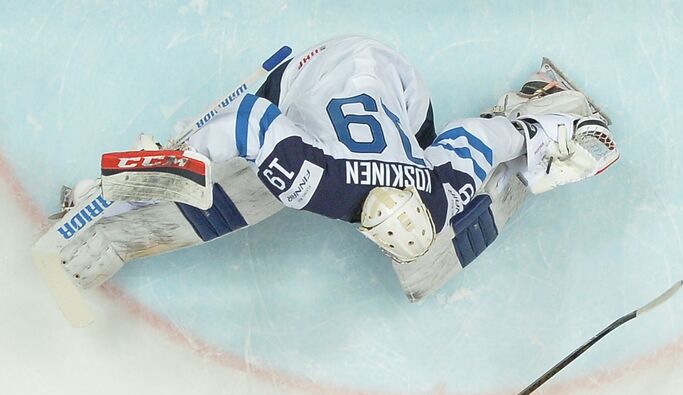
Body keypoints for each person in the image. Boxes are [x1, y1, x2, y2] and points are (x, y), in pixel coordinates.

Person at [34, 35, 618, 316]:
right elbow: (248, 119)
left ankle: (540, 100)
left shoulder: (434, 189)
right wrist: (176, 162)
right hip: (307, 75)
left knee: (423, 269)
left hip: (399, 87)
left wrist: (536, 132)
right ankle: (119, 225)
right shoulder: (317, 180)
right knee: (254, 189)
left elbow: (476, 138)